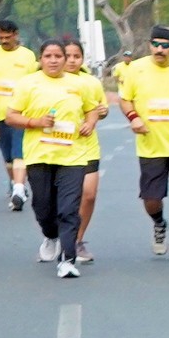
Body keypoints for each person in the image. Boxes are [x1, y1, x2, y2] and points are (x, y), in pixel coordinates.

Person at [8, 39, 103, 277]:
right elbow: (11, 116)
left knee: (69, 208)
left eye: (58, 56)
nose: (53, 61)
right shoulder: (28, 83)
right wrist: (36, 122)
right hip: (39, 155)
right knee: (43, 207)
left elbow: (92, 109)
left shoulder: (79, 84)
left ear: (64, 59)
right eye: (48, 56)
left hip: (72, 156)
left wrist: (90, 123)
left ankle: (67, 260)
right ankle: (50, 236)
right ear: (40, 59)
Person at [117, 24, 169, 262]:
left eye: (165, 45)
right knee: (151, 199)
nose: (159, 49)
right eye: (155, 44)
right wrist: (133, 118)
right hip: (151, 144)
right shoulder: (136, 69)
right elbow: (125, 100)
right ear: (149, 45)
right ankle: (159, 223)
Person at [0, 19, 38, 212]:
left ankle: (19, 190)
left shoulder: (27, 56)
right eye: (0, 37)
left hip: (21, 114)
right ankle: (17, 185)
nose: (4, 41)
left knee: (18, 152)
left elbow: (34, 83)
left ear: (16, 35)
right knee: (7, 156)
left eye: (8, 37)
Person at [61, 37, 105, 261]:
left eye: (76, 56)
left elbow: (100, 107)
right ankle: (56, 237)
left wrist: (98, 115)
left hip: (86, 146)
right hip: (58, 148)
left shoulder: (91, 82)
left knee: (88, 195)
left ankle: (77, 240)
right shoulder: (47, 82)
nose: (72, 61)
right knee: (59, 200)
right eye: (67, 56)